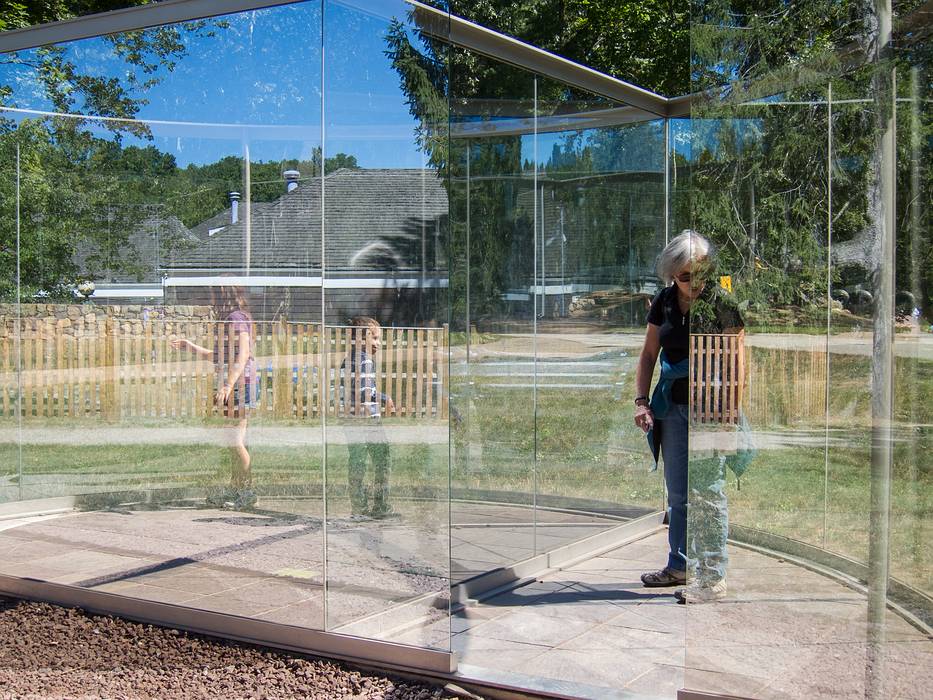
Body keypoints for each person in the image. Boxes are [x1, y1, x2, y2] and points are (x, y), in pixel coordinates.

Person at [633, 230, 743, 603]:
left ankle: (712, 576)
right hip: (673, 409)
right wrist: (641, 400)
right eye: (685, 276)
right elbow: (649, 355)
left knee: (709, 493)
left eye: (701, 273)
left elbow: (740, 362)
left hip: (712, 410)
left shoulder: (721, 302)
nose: (694, 283)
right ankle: (679, 565)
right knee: (679, 494)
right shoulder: (663, 303)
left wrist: (729, 410)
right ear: (671, 274)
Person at [172, 285, 257, 510]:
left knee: (235, 441)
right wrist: (190, 348)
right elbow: (220, 356)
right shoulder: (232, 318)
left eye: (213, 294)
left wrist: (228, 384)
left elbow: (244, 353)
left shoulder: (235, 317)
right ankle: (237, 488)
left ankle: (246, 493)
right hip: (235, 385)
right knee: (234, 442)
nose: (210, 298)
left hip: (239, 385)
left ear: (223, 295)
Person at [341, 316, 396, 519]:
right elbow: (365, 393)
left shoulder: (348, 360)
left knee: (357, 461)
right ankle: (380, 506)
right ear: (362, 338)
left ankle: (359, 508)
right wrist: (385, 398)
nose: (378, 344)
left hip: (349, 418)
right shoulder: (364, 361)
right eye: (375, 338)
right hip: (367, 419)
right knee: (382, 459)